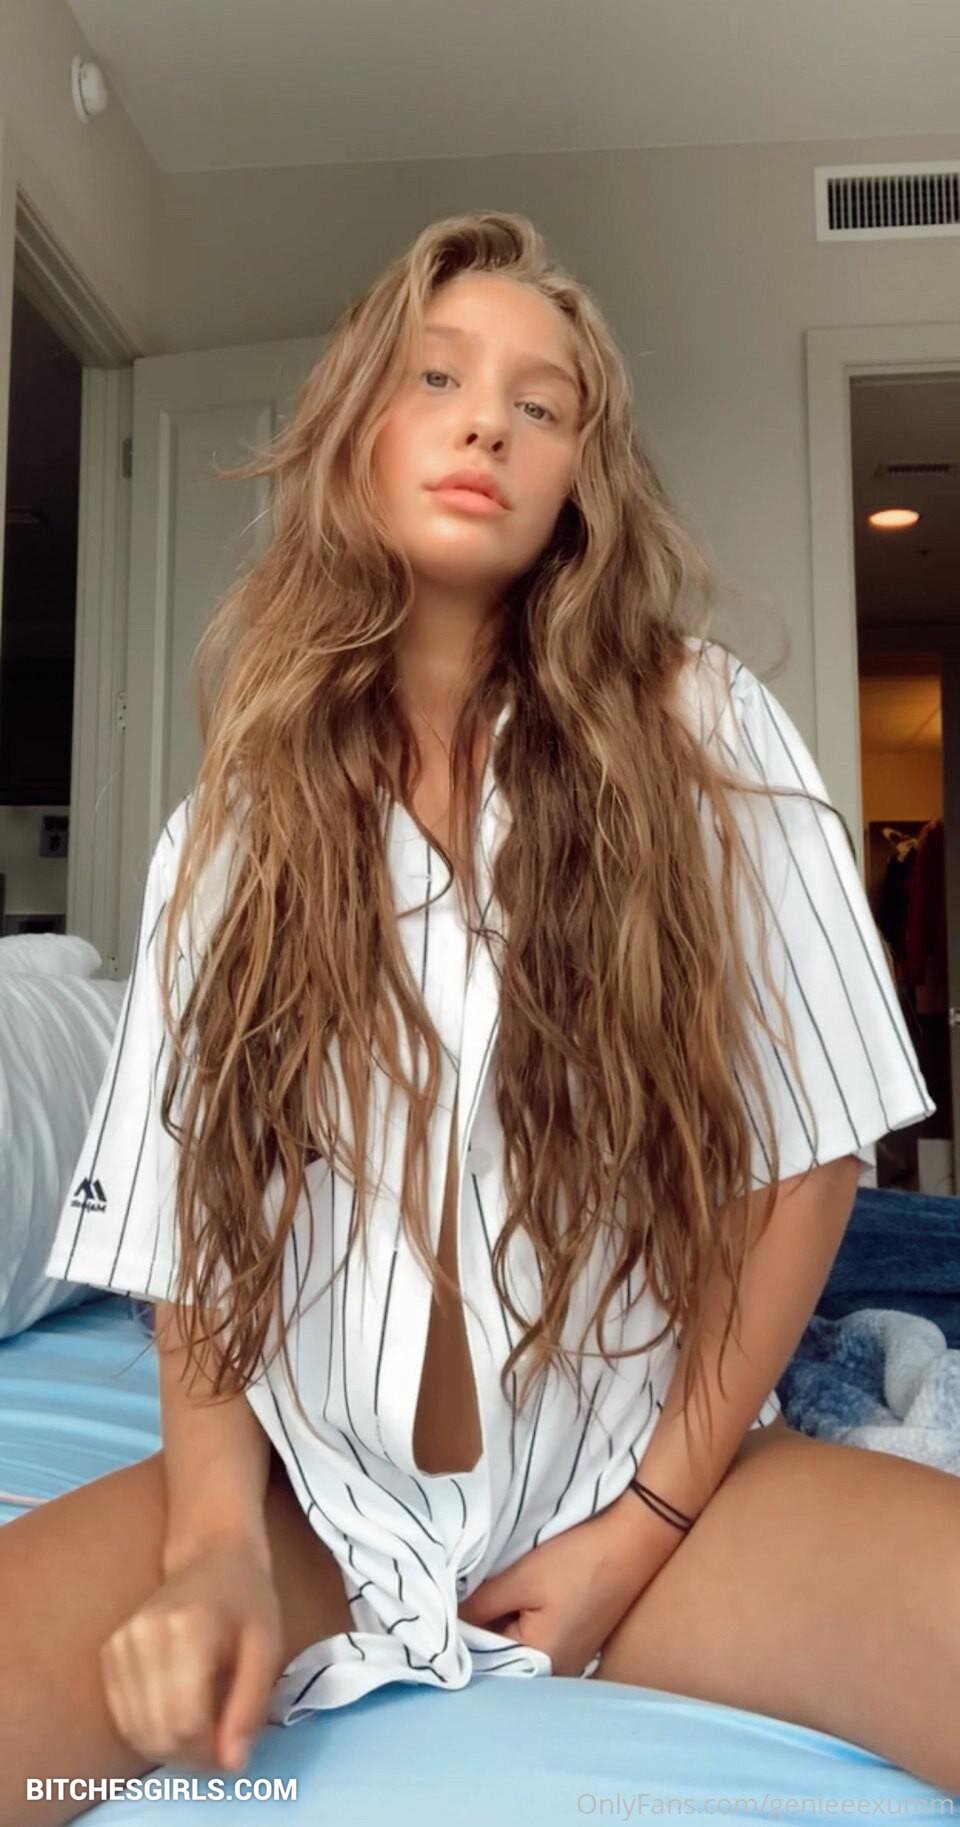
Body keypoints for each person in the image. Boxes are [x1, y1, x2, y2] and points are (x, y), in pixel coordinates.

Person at [2, 209, 956, 1817]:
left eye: (541, 402)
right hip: (313, 1507)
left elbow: (809, 1161)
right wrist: (215, 1543)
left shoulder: (703, 727)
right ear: (356, 432)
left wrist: (637, 1534)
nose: (486, 424)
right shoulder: (226, 832)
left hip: (657, 1495)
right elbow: (196, 1229)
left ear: (580, 473)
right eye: (436, 377)